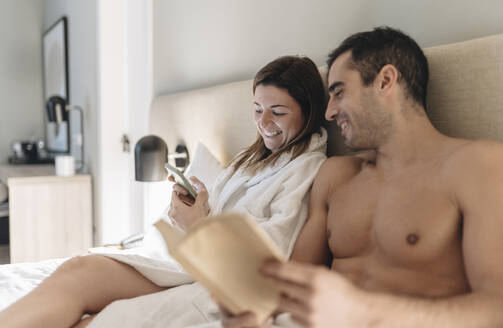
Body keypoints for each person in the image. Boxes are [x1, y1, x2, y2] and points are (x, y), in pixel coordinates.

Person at [0, 55, 328, 328]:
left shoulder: (307, 169)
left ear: (308, 110)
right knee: (77, 273)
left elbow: (273, 253)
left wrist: (197, 225)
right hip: (191, 261)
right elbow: (224, 213)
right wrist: (196, 203)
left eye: (278, 112)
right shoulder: (252, 159)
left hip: (217, 277)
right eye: (257, 109)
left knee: (86, 302)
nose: (264, 121)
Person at [223, 26, 503, 327]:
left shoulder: (477, 164)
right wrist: (255, 313)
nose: (329, 113)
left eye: (339, 92)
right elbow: (292, 287)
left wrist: (366, 313)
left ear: (385, 81)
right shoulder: (336, 176)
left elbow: (497, 306)